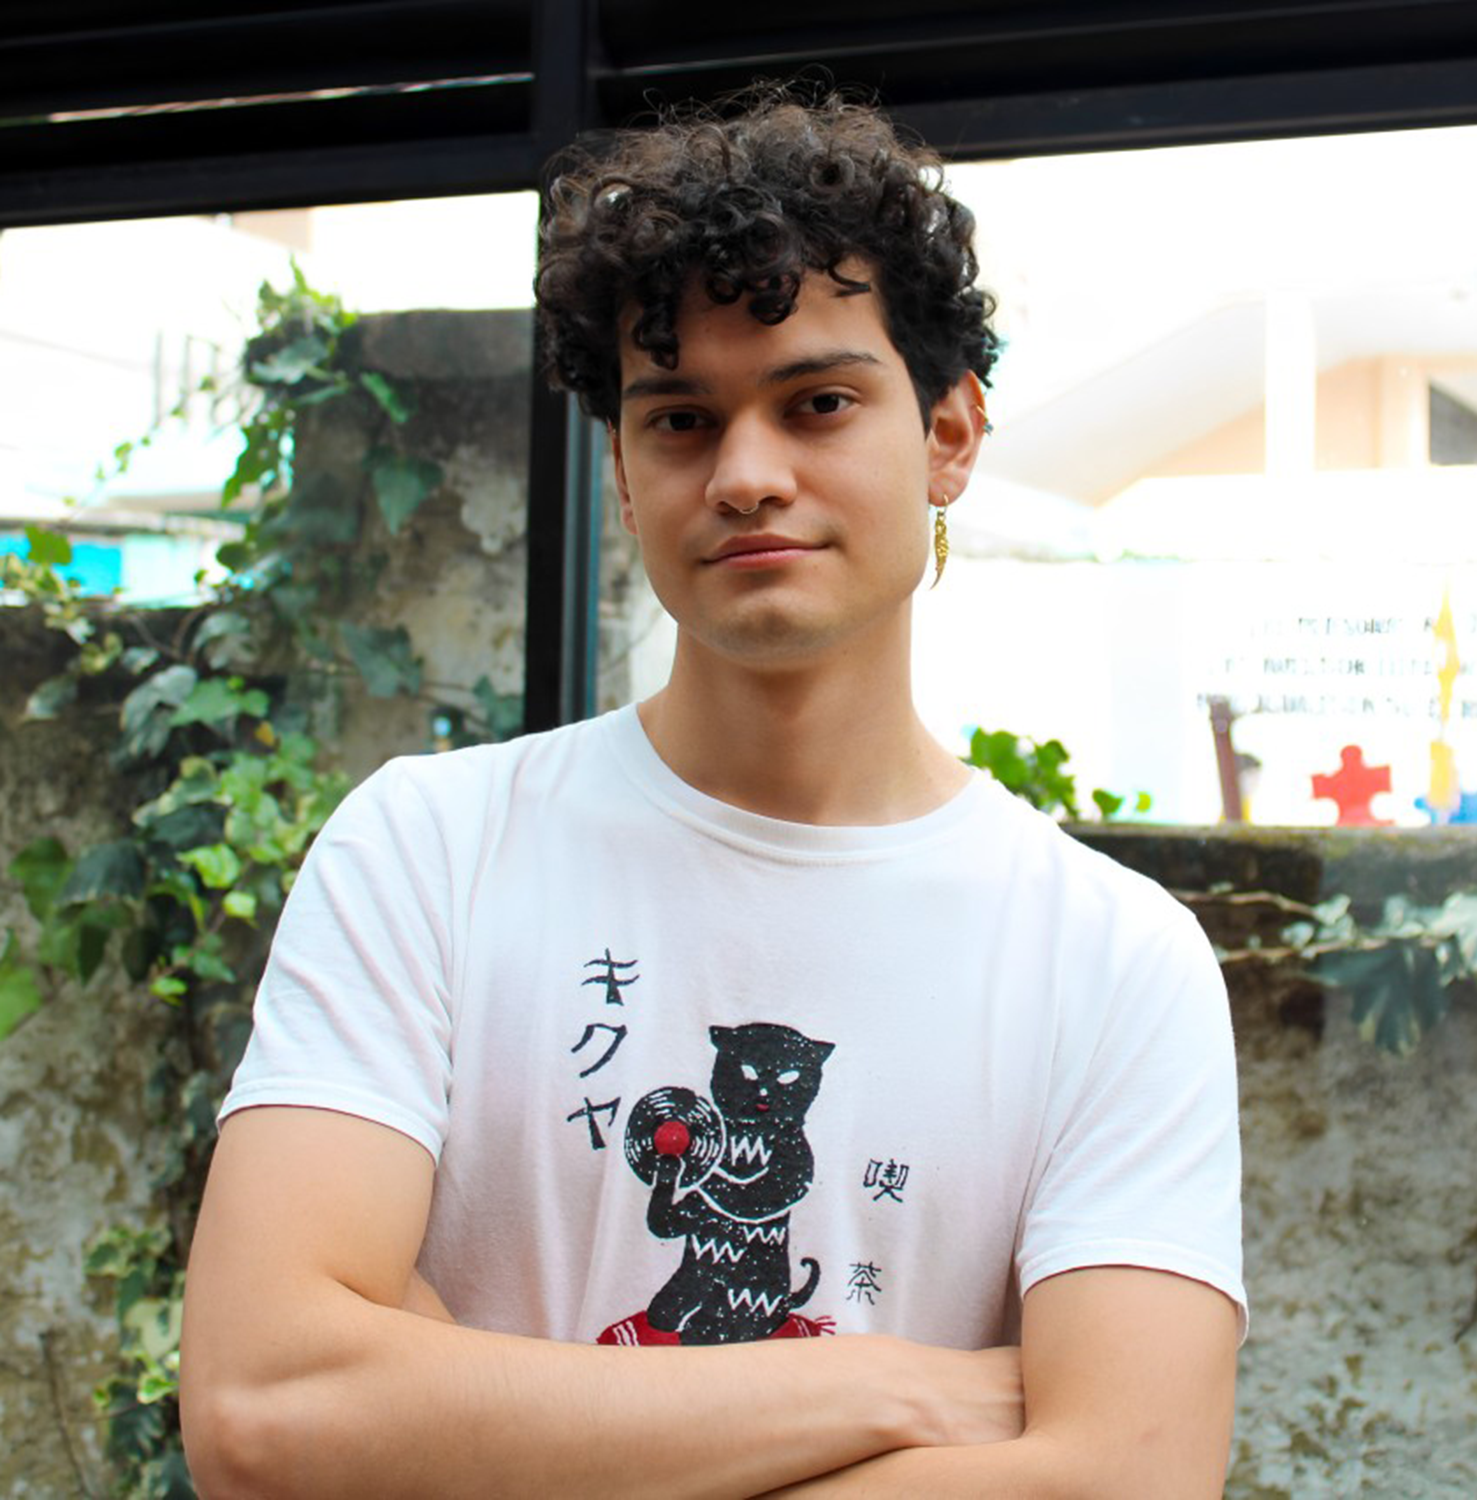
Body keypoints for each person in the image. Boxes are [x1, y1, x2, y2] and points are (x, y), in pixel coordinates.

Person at [180, 84, 1245, 1497]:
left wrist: (468, 1428)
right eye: (680, 418)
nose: (746, 475)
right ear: (623, 472)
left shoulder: (1113, 958)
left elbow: (1124, 1477)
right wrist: (890, 1388)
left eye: (817, 403)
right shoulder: (426, 851)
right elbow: (268, 1410)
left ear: (949, 436)